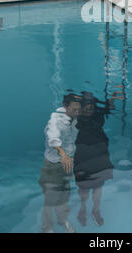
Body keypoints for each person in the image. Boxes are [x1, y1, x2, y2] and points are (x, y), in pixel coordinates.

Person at [38, 93, 82, 233]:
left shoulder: (73, 118)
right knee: (50, 199)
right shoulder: (55, 121)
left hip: (67, 164)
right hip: (54, 165)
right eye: (74, 109)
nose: (77, 113)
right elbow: (53, 139)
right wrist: (63, 154)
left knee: (64, 195)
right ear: (65, 106)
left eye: (78, 110)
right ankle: (47, 229)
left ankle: (63, 220)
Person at [73, 92, 114, 228]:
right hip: (85, 152)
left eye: (91, 106)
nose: (89, 109)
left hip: (99, 152)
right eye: (86, 106)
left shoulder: (98, 113)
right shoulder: (76, 116)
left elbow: (109, 109)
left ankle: (95, 210)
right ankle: (83, 208)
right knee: (84, 185)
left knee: (98, 185)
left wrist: (111, 100)